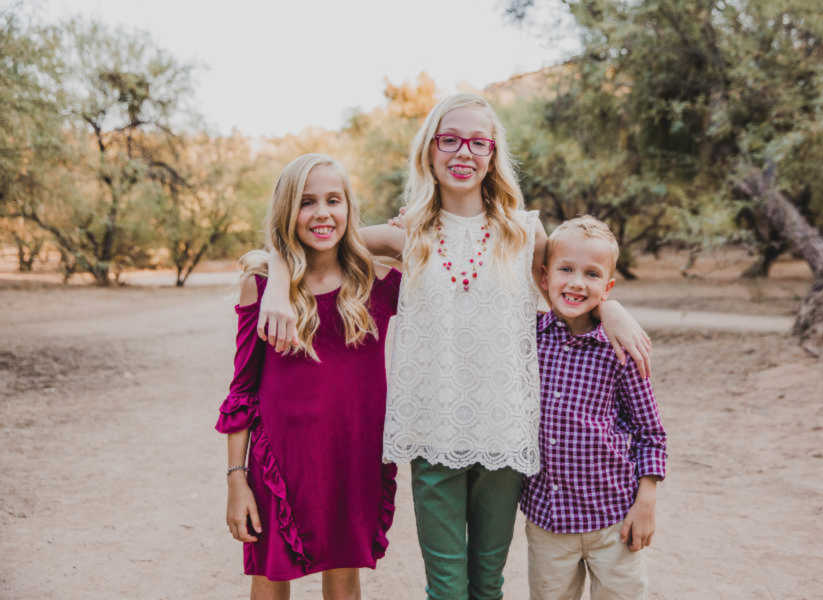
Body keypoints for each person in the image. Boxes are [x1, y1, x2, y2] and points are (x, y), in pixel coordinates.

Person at [259, 94, 652, 599]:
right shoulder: (408, 234)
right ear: (429, 151)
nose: (463, 152)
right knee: (446, 587)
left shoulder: (525, 232)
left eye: (477, 142)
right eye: (449, 140)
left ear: (492, 154)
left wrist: (611, 310)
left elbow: (573, 286)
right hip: (434, 432)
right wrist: (274, 282)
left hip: (505, 434)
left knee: (487, 584)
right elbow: (311, 235)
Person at [214, 154, 400, 600]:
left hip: (351, 455)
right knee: (271, 578)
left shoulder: (375, 280)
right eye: (306, 201)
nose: (321, 213)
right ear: (286, 211)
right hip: (281, 461)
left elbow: (409, 238)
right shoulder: (261, 288)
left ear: (349, 208)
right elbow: (242, 389)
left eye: (334, 200)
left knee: (343, 579)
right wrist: (236, 480)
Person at [520, 215, 667, 600]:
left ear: (608, 286)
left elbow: (651, 433)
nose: (576, 282)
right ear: (543, 276)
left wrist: (646, 502)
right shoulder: (527, 336)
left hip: (613, 521)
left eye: (591, 274)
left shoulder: (621, 347)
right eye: (565, 269)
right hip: (548, 521)